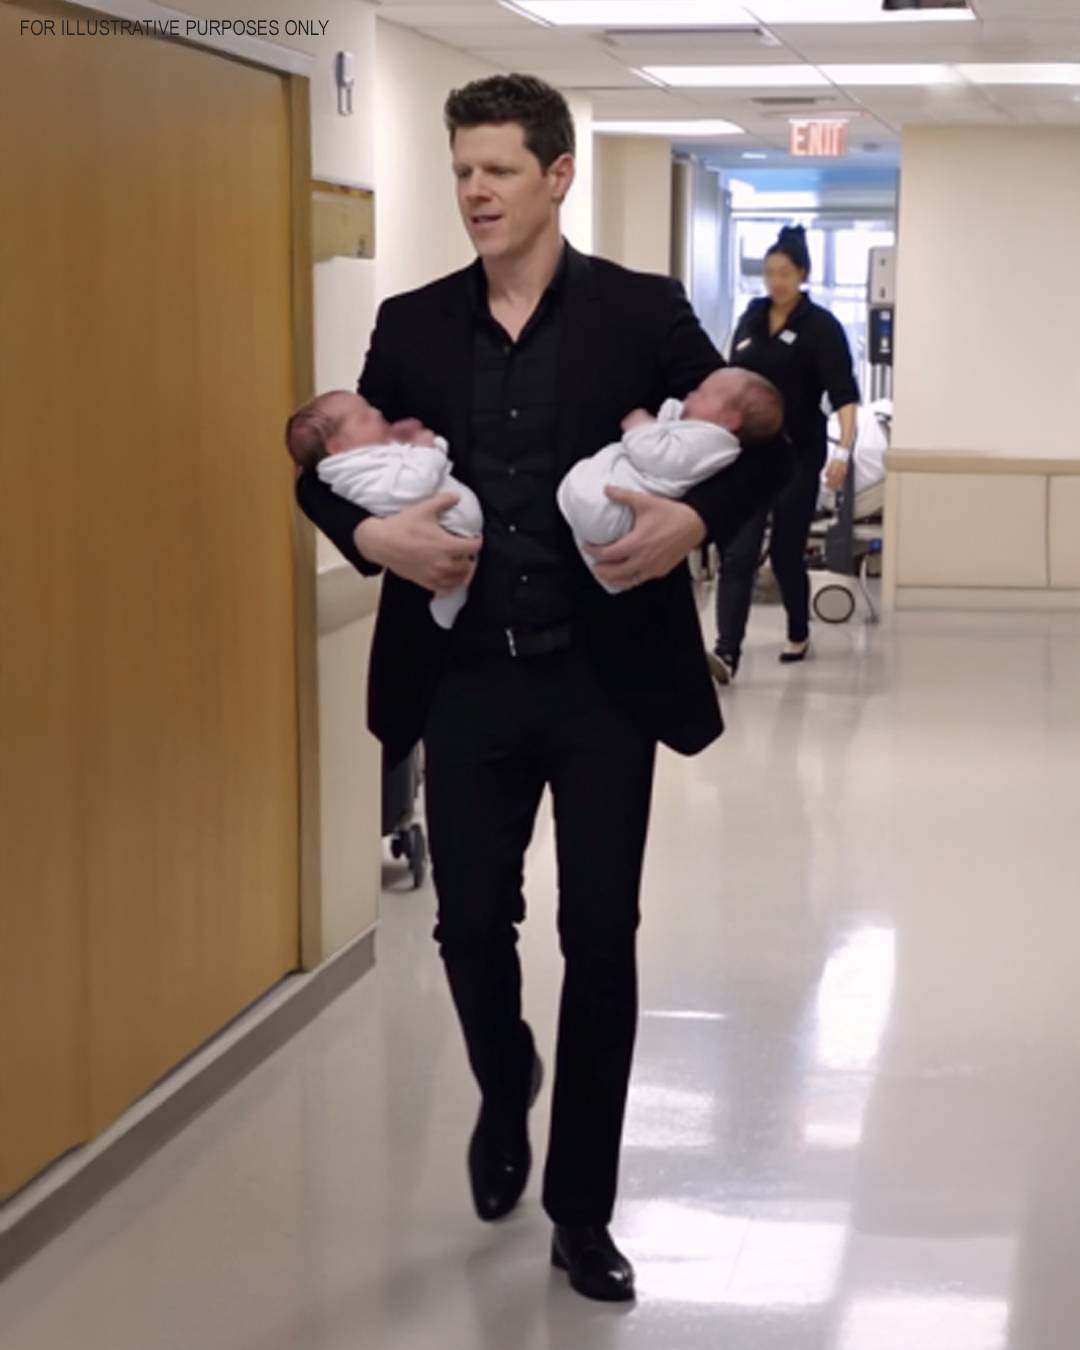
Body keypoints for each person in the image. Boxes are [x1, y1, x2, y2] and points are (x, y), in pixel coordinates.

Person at [293, 74, 792, 1304]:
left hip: (602, 680)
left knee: (601, 939)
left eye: (499, 169)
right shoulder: (410, 326)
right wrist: (373, 543)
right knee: (468, 929)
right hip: (463, 677)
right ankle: (507, 1073)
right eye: (461, 169)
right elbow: (329, 465)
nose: (474, 191)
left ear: (556, 176)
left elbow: (763, 443)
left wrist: (688, 522)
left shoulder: (641, 311)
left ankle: (583, 1211)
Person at [709, 224, 860, 683]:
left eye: (785, 273)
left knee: (784, 554)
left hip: (799, 452)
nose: (775, 282)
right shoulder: (751, 319)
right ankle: (726, 652)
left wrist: (844, 454)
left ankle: (798, 628)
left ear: (803, 275)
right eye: (770, 272)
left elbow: (845, 396)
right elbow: (731, 379)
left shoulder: (821, 328)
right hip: (750, 453)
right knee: (738, 554)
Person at [558, 368, 784, 592]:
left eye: (701, 393)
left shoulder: (712, 442)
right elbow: (670, 419)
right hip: (606, 525)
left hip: (617, 512)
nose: (691, 394)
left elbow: (659, 456)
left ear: (730, 420)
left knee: (584, 478)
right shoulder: (699, 432)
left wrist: (639, 427)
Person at [285, 390, 481, 628]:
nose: (377, 412)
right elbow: (413, 484)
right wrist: (429, 448)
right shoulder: (357, 474)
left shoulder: (368, 456)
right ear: (337, 447)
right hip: (440, 554)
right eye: (365, 417)